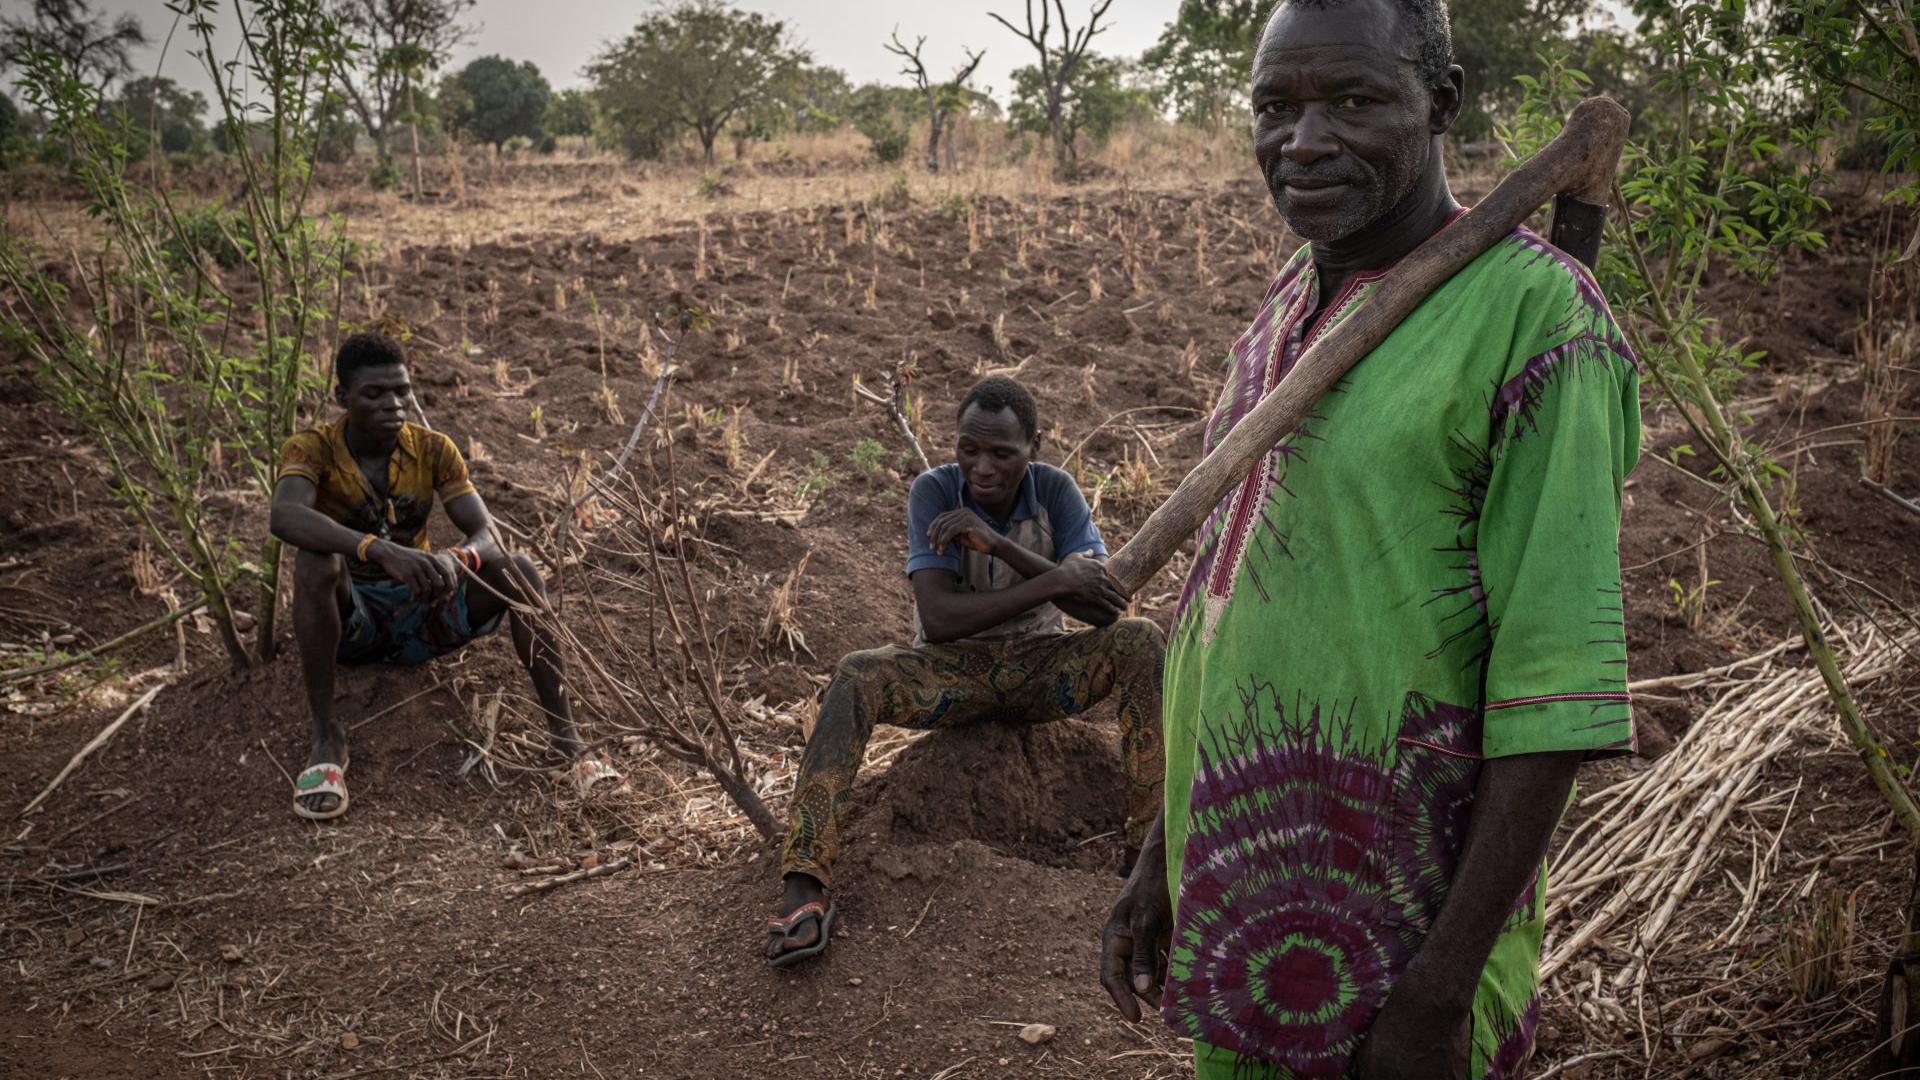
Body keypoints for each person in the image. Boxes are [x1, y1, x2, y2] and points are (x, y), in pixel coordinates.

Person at [1097, 1, 1641, 1078]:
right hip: (1247, 903)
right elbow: (1226, 607)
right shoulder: (1288, 305)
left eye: (1352, 100)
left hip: (1399, 934)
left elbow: (1557, 683)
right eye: (1274, 107)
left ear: (1439, 105)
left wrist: (1439, 992)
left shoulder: (1542, 322)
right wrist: (1165, 857)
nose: (1302, 141)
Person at [765, 376, 1167, 967]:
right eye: (968, 449)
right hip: (953, 674)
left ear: (1034, 446)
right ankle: (805, 877)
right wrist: (1056, 577)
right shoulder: (934, 491)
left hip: (1040, 670)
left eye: (1002, 453)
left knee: (1142, 641)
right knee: (856, 674)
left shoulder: (1056, 491)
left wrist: (1001, 547)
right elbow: (940, 616)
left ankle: (1144, 859)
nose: (982, 467)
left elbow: (1104, 607)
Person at [270, 332, 606, 821]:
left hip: (425, 612)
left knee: (521, 570)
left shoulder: (433, 449)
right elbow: (285, 517)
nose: (393, 404)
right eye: (374, 394)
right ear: (342, 398)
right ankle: (327, 735)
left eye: (402, 391)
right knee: (315, 560)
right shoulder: (313, 449)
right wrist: (376, 549)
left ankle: (565, 738)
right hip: (353, 623)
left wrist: (458, 560)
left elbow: (487, 532)